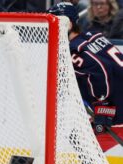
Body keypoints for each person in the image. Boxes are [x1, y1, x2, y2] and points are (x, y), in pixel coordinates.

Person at [48, 2, 123, 152]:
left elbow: (101, 69)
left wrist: (103, 108)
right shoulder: (93, 35)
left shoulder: (75, 51)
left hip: (118, 113)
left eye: (54, 24)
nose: (50, 30)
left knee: (83, 146)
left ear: (67, 24)